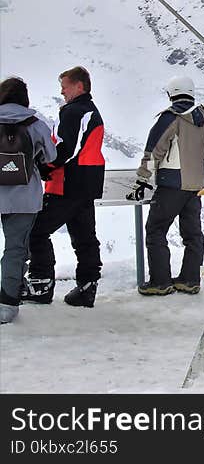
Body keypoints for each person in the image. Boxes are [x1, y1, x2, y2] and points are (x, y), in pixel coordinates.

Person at [21, 66, 105, 308]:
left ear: (79, 86)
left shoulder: (75, 111)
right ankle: (87, 287)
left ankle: (40, 284)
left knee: (36, 230)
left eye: (65, 86)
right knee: (84, 236)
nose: (62, 91)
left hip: (68, 183)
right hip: (87, 183)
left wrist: (45, 167)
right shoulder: (89, 110)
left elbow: (66, 148)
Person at [133, 76, 204, 296]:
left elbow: (154, 149)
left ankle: (160, 281)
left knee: (155, 230)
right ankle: (190, 279)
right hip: (195, 185)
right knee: (193, 234)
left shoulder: (171, 117)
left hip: (172, 183)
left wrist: (142, 177)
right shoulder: (200, 118)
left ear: (171, 93)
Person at [0, 77, 57, 323]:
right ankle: (7, 304)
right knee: (15, 250)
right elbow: (51, 155)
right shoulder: (35, 124)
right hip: (24, 198)